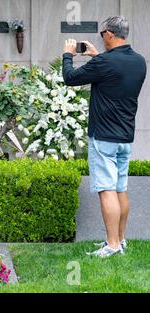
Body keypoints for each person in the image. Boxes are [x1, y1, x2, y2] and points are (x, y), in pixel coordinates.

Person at [62, 16, 147, 257]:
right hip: (125, 136)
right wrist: (97, 56)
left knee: (106, 189)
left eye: (102, 34)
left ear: (109, 34)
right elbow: (114, 72)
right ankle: (120, 240)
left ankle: (111, 245)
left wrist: (68, 54)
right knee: (120, 188)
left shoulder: (105, 63)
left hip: (104, 137)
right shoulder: (139, 62)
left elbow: (70, 78)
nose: (102, 38)